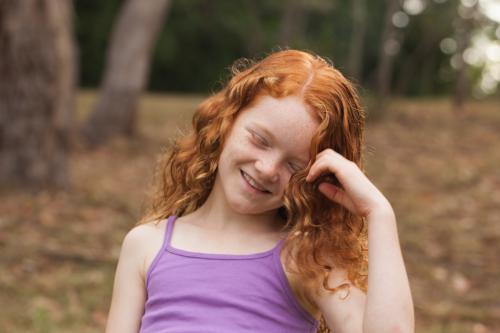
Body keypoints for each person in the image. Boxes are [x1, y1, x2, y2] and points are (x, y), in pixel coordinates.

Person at [105, 49, 414, 333]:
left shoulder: (304, 260)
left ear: (316, 179)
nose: (267, 168)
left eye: (295, 166)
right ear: (226, 120)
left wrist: (378, 213)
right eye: (260, 140)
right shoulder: (146, 245)